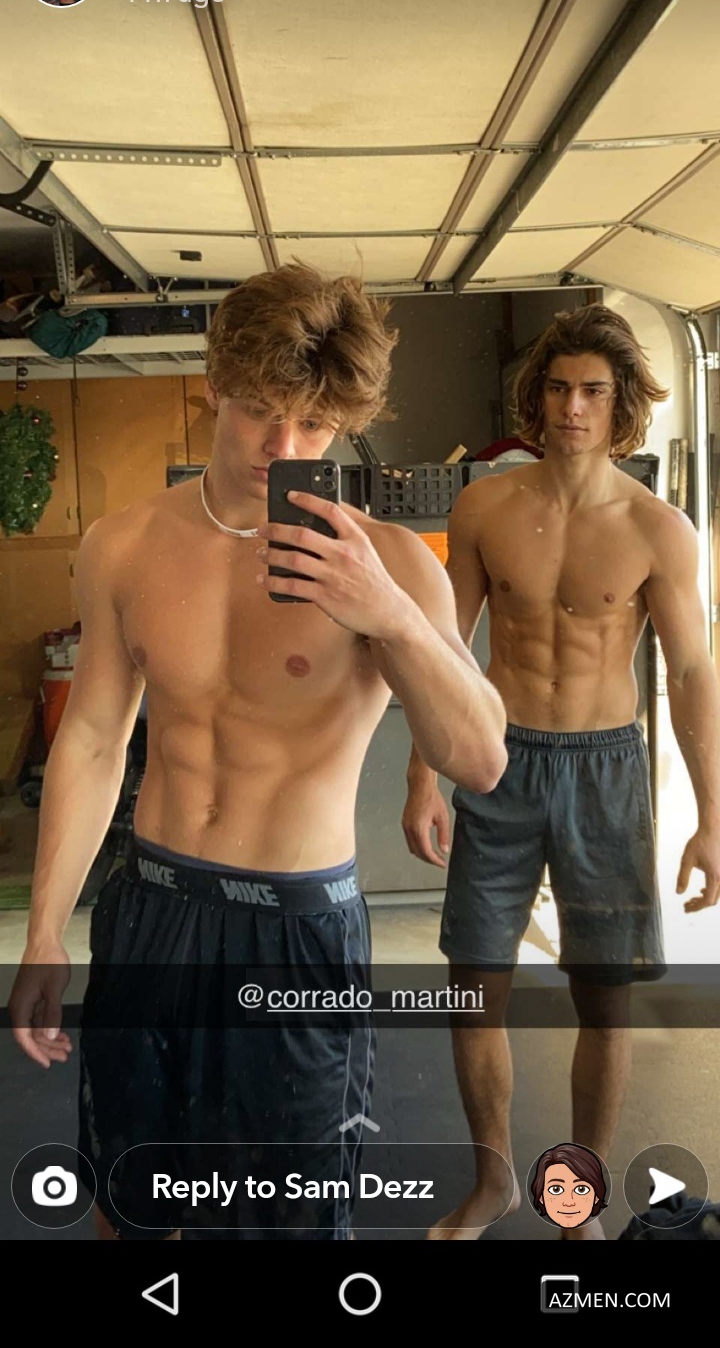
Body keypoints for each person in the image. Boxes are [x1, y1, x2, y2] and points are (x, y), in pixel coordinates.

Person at [10, 263, 508, 1240]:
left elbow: (481, 759)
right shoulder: (122, 544)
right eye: (259, 413)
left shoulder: (393, 564)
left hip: (296, 930)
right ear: (214, 385)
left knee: (287, 1222)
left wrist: (390, 616)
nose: (281, 448)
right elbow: (96, 738)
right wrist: (44, 931)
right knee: (130, 1201)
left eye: (313, 426)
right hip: (152, 911)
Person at [402, 303, 720, 1240]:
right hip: (497, 760)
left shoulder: (659, 529)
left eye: (592, 391)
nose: (572, 407)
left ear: (620, 407)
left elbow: (692, 673)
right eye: (557, 388)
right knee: (474, 989)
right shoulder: (483, 507)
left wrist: (712, 817)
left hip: (605, 771)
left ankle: (576, 1202)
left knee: (604, 1003)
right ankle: (493, 1181)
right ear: (535, 398)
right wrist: (422, 775)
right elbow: (443, 649)